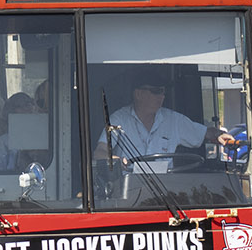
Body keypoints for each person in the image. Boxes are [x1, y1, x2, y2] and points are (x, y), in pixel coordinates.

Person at [98, 70, 239, 173]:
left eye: (163, 92)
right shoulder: (119, 119)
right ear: (138, 94)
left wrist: (219, 135)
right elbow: (99, 151)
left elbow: (205, 133)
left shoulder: (173, 120)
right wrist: (115, 159)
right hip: (128, 192)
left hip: (166, 193)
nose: (162, 96)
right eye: (156, 91)